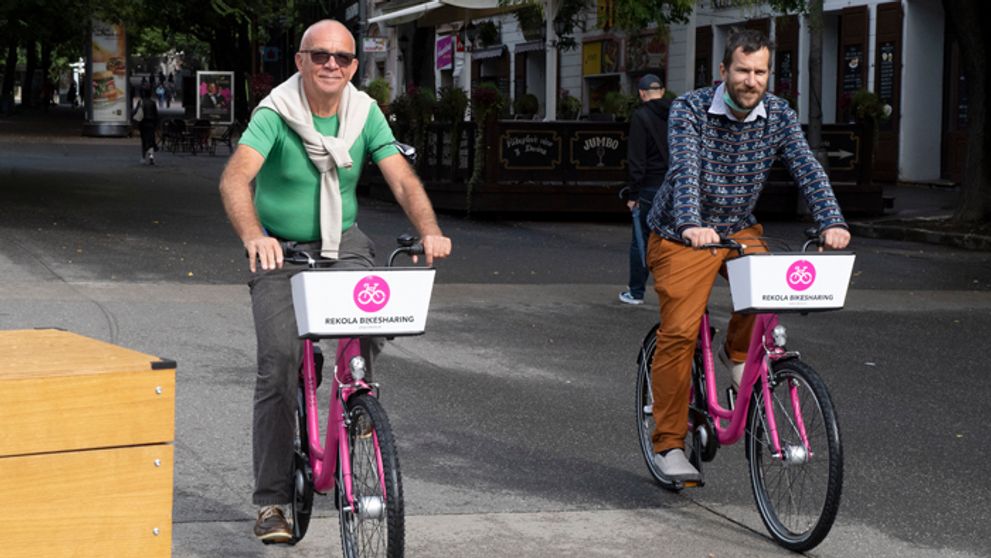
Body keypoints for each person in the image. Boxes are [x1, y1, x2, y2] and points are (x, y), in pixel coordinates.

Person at [218, 19, 452, 544]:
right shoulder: (276, 113)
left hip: (342, 240)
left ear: (353, 66)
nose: (331, 64)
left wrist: (430, 229)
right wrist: (254, 235)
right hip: (280, 245)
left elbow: (400, 177)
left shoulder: (364, 112)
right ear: (300, 60)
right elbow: (236, 178)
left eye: (342, 58)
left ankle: (356, 391)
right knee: (278, 364)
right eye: (319, 55)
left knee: (375, 310)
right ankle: (273, 501)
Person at [644, 29, 850, 483]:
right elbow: (685, 167)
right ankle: (669, 443)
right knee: (678, 332)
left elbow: (805, 165)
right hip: (683, 232)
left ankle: (737, 356)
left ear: (768, 75)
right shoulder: (691, 108)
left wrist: (832, 220)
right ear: (723, 71)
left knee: (767, 302)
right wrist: (691, 223)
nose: (751, 79)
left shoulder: (778, 114)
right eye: (742, 70)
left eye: (760, 72)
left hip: (737, 227)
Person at [619, 73, 670, 305]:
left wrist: (633, 193)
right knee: (673, 240)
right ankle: (672, 290)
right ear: (663, 90)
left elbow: (636, 160)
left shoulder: (641, 117)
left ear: (641, 93)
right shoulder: (677, 113)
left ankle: (636, 292)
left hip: (649, 187)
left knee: (641, 240)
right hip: (675, 187)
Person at [134, 87, 159, 165]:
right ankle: (151, 157)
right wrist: (156, 125)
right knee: (151, 141)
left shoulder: (140, 102)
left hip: (143, 124)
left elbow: (136, 112)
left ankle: (143, 157)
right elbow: (156, 114)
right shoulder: (153, 103)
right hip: (151, 124)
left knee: (144, 141)